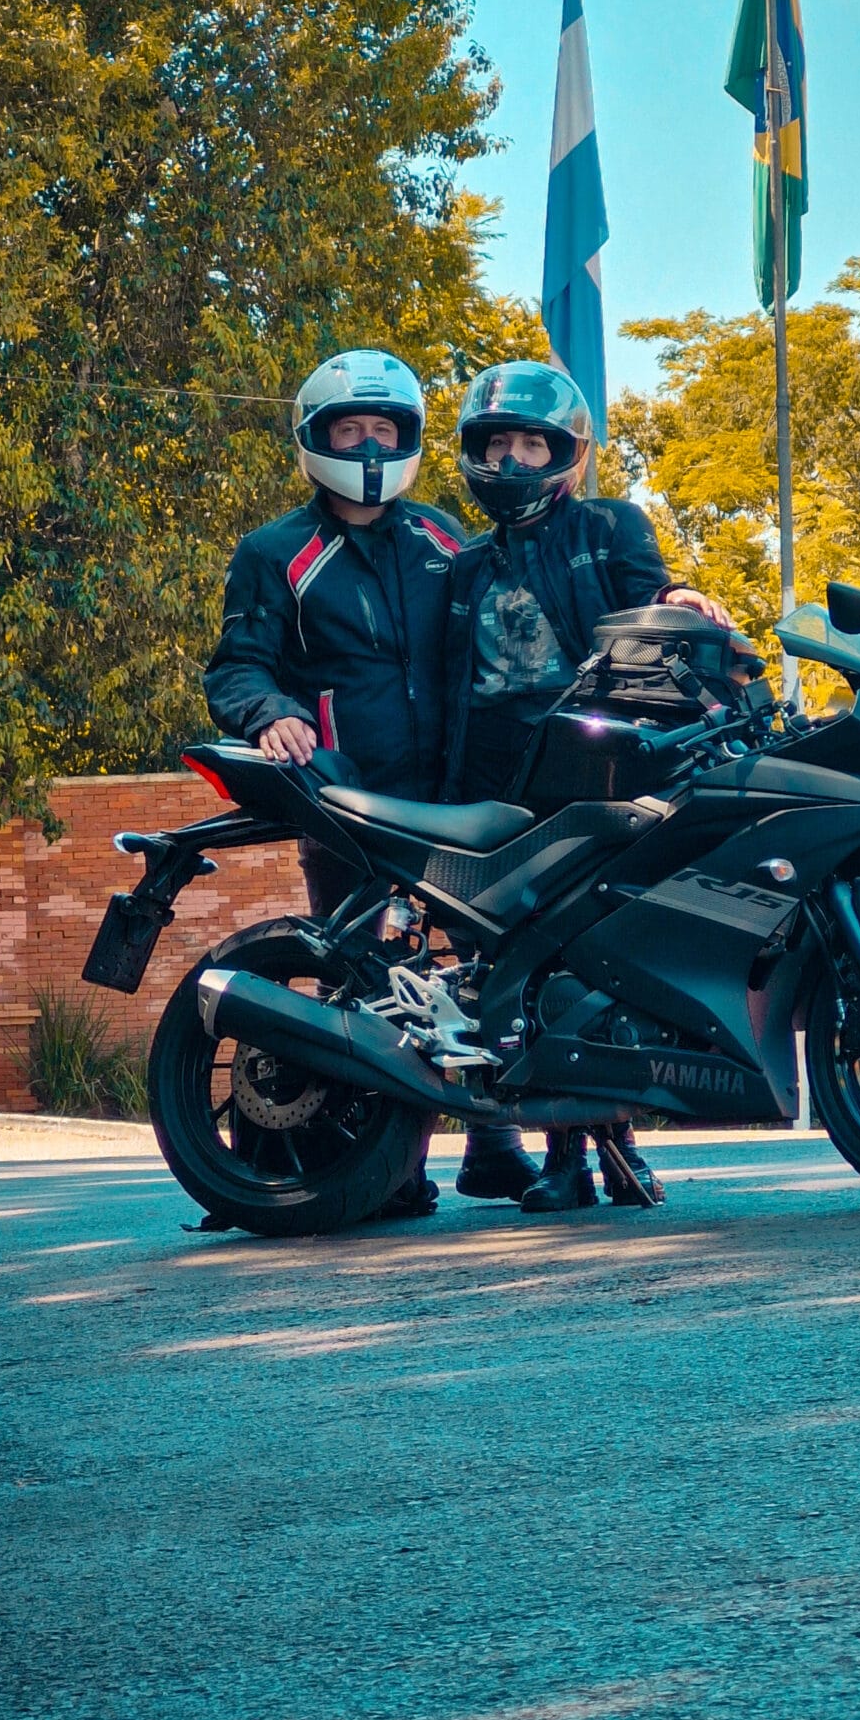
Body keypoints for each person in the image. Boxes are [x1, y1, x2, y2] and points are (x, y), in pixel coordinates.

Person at [203, 349, 540, 1211]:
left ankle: (496, 1146)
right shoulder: (274, 551)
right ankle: (388, 1169)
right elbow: (237, 665)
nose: (367, 445)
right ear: (315, 437)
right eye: (349, 428)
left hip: (457, 796)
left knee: (487, 964)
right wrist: (271, 714)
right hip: (348, 801)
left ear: (409, 438)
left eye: (383, 429)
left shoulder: (445, 539)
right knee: (371, 978)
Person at [441, 359, 735, 1216]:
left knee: (595, 957)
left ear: (564, 454)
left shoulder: (609, 525)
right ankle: (567, 1157)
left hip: (594, 767)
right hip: (496, 782)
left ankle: (617, 1148)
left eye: (533, 444)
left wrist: (678, 595)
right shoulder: (461, 567)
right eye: (499, 442)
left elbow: (649, 596)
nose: (514, 459)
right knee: (518, 968)